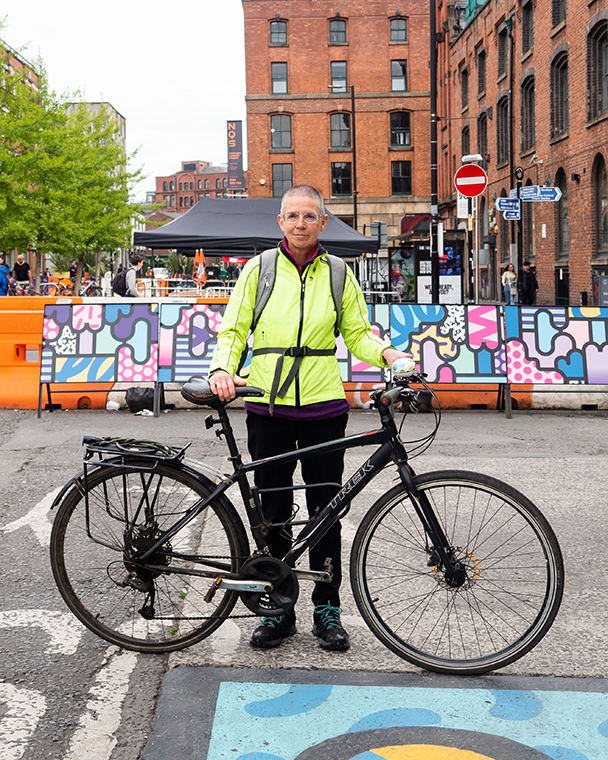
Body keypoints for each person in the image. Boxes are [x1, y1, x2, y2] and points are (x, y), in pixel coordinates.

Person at [208, 184, 411, 652]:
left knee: (326, 513)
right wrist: (222, 369)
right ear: (280, 222)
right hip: (267, 404)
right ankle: (278, 609)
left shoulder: (339, 273)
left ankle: (327, 608)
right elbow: (234, 330)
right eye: (292, 215)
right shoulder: (258, 271)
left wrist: (389, 353)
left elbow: (357, 334)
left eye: (309, 216)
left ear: (323, 222)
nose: (300, 223)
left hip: (323, 406)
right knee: (273, 513)